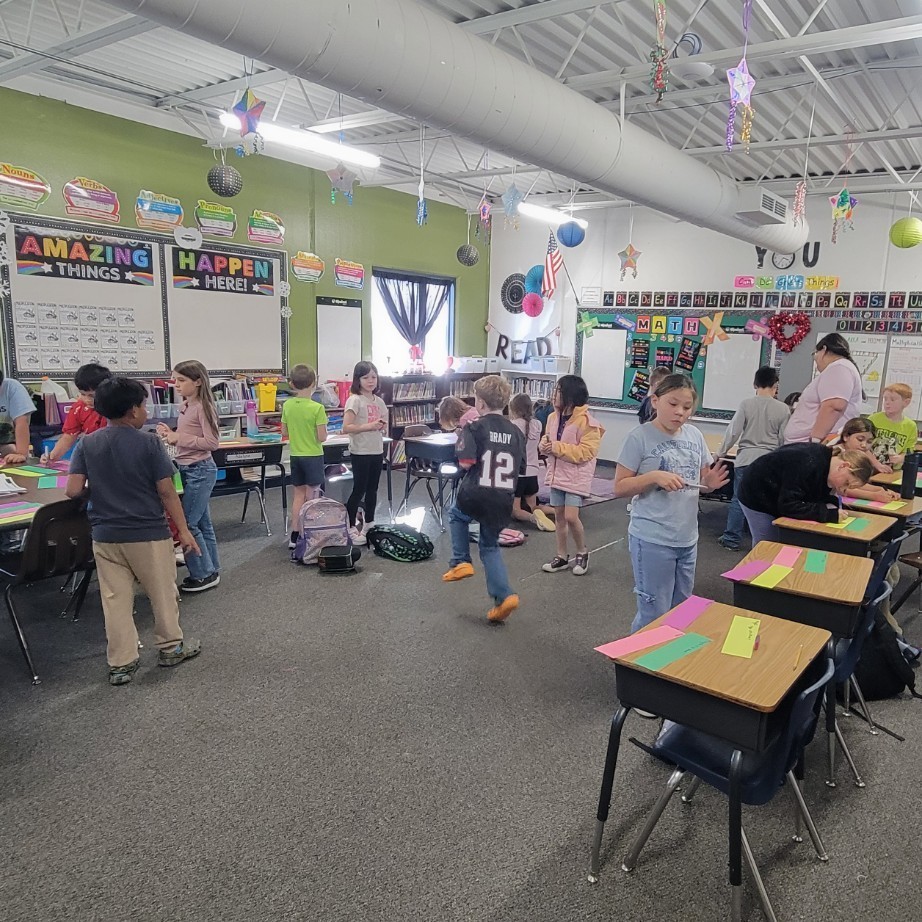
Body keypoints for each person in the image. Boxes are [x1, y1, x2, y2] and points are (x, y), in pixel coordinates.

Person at [65, 377, 202, 685]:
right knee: (163, 593)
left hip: (106, 536)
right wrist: (183, 531)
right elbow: (167, 492)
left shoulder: (87, 443)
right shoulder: (149, 443)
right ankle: (171, 647)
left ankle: (121, 663)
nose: (146, 411)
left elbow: (72, 490)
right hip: (148, 534)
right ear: (132, 411)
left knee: (114, 600)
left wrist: (98, 492)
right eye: (143, 405)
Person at [615, 373, 729, 631]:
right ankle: (640, 656)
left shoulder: (694, 435)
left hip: (687, 539)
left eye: (687, 407)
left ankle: (669, 654)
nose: (680, 412)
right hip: (652, 538)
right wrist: (653, 477)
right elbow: (619, 487)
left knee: (682, 610)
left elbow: (702, 481)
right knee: (653, 613)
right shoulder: (639, 437)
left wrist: (710, 484)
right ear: (655, 401)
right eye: (673, 404)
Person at [441, 375, 524, 622]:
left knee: (456, 515)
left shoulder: (474, 427)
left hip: (476, 492)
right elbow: (520, 468)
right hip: (503, 498)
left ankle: (460, 560)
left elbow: (466, 463)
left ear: (481, 403)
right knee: (489, 546)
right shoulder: (516, 432)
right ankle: (505, 596)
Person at [157, 360, 221, 593]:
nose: (176, 384)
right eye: (175, 380)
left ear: (198, 382)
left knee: (188, 524)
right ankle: (211, 568)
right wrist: (171, 434)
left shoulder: (203, 407)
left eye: (182, 380)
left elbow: (212, 443)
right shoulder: (186, 406)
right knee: (202, 523)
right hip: (188, 468)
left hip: (200, 469)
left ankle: (202, 574)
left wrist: (179, 438)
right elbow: (187, 436)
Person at [737, 444, 873, 547]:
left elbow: (815, 492)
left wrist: (832, 504)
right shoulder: (809, 463)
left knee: (782, 543)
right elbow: (788, 505)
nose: (844, 490)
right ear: (844, 465)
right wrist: (827, 513)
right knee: (768, 545)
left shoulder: (827, 465)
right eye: (846, 483)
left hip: (776, 492)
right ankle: (757, 575)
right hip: (756, 494)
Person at [716, 365, 790, 550]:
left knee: (739, 499)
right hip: (769, 463)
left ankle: (731, 539)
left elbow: (733, 432)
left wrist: (720, 453)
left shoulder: (746, 404)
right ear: (775, 385)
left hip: (746, 460)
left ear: (755, 384)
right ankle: (766, 541)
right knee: (768, 500)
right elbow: (784, 439)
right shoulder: (783, 409)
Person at [540, 374, 605, 576]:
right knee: (559, 516)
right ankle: (561, 556)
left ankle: (582, 552)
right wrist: (544, 446)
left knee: (571, 516)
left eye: (558, 391)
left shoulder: (588, 422)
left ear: (570, 394)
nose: (554, 395)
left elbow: (586, 452)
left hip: (576, 478)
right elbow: (547, 439)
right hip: (556, 474)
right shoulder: (552, 417)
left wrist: (555, 447)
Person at [785, 333, 863, 444]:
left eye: (815, 354)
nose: (815, 360)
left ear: (824, 350)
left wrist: (815, 441)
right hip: (804, 445)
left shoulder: (839, 367)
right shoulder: (840, 368)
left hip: (812, 445)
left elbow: (834, 406)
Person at [282, 363, 328, 549]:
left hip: (296, 455)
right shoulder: (317, 408)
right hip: (313, 455)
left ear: (291, 384)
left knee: (298, 496)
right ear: (314, 383)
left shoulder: (287, 405)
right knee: (313, 495)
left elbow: (284, 432)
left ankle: (295, 535)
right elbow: (322, 437)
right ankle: (311, 532)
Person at [342, 361, 388, 546]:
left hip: (376, 449)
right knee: (359, 489)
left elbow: (383, 423)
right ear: (358, 380)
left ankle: (369, 522)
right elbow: (347, 427)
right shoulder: (355, 400)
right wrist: (369, 426)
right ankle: (350, 525)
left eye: (374, 377)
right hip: (360, 451)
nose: (370, 381)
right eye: (366, 377)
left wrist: (382, 427)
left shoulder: (379, 401)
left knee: (372, 489)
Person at [43, 363, 111, 463]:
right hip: (94, 457)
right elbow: (68, 437)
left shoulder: (115, 407)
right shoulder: (79, 408)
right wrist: (52, 456)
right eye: (83, 394)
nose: (87, 399)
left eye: (92, 396)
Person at [508, 392, 555, 531]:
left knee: (515, 511)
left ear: (513, 409)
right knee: (534, 506)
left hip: (518, 473)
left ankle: (534, 519)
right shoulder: (538, 424)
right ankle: (557, 512)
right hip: (533, 472)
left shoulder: (512, 425)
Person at [835, 418, 898, 499]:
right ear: (846, 437)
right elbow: (841, 488)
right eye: (860, 440)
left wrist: (881, 490)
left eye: (869, 442)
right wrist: (873, 495)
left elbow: (855, 483)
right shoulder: (836, 455)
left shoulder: (855, 453)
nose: (864, 445)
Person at [867, 383, 917, 471]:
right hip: (869, 467)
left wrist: (900, 458)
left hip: (892, 470)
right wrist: (877, 464)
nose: (887, 402)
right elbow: (862, 446)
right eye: (885, 399)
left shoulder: (911, 426)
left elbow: (909, 452)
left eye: (892, 400)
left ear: (906, 402)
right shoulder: (873, 419)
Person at [0, 369, 35, 463]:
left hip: (9, 443)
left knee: (12, 451)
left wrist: (21, 454)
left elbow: (21, 422)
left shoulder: (13, 388)